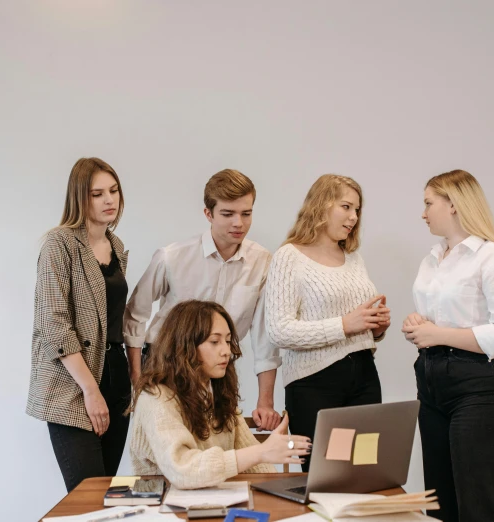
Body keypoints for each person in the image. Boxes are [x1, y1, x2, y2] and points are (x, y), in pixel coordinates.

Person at [402, 169, 494, 522]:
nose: (423, 213)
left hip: (480, 388)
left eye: (428, 203)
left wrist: (438, 334)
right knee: (440, 506)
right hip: (431, 384)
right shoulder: (433, 258)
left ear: (453, 204)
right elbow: (443, 319)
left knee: (482, 507)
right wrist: (418, 323)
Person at [124, 169, 282, 431]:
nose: (238, 224)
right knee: (169, 453)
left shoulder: (263, 261)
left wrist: (265, 401)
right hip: (166, 363)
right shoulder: (172, 256)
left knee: (219, 448)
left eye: (246, 213)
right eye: (227, 214)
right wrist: (137, 376)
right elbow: (135, 314)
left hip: (220, 366)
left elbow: (264, 336)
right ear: (208, 214)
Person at [263, 174, 391, 471]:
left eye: (357, 210)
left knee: (366, 471)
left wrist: (376, 329)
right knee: (325, 476)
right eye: (346, 207)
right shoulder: (288, 256)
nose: (354, 217)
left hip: (364, 377)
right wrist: (345, 324)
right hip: (314, 385)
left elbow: (358, 324)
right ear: (321, 206)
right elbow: (279, 330)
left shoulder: (353, 257)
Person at [26, 157, 132, 492]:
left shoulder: (116, 247)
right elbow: (54, 324)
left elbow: (114, 320)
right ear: (79, 198)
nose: (109, 200)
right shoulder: (59, 243)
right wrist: (90, 390)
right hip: (74, 384)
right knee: (86, 499)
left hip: (116, 377)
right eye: (97, 193)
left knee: (106, 495)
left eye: (113, 191)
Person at [128, 300, 310, 489]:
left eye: (228, 341)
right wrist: (262, 451)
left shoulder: (214, 391)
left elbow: (254, 460)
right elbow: (184, 470)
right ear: (184, 346)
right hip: (166, 510)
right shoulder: (155, 397)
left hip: (211, 503)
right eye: (215, 342)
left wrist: (286, 491)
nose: (226, 351)